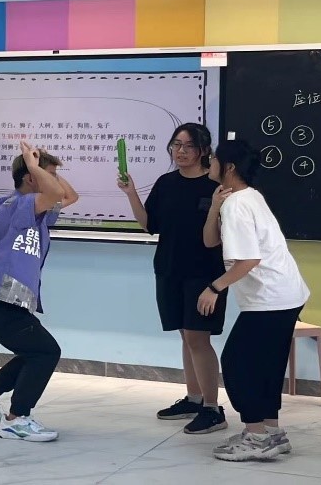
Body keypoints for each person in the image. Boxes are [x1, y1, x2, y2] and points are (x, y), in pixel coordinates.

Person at [199, 139, 310, 461]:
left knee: (238, 364)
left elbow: (249, 260)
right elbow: (210, 241)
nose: (210, 162)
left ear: (229, 167)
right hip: (285, 295)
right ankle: (271, 432)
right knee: (266, 365)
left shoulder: (238, 205)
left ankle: (256, 435)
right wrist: (215, 206)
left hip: (270, 298)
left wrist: (214, 288)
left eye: (215, 159)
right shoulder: (244, 196)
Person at [0, 142, 79, 442]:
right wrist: (36, 168)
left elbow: (69, 196)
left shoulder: (36, 210)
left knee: (33, 351)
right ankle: (17, 419)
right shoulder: (16, 205)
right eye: (49, 175)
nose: (55, 181)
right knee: (46, 352)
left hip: (1, 300)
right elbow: (55, 193)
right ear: (30, 179)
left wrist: (44, 169)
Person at [117, 123, 229, 434]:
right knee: (186, 335)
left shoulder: (215, 186)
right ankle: (194, 399)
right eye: (176, 145)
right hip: (169, 268)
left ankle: (213, 408)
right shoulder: (166, 183)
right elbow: (150, 224)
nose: (180, 151)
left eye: (188, 146)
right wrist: (131, 193)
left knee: (198, 337)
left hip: (205, 273)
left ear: (204, 150)